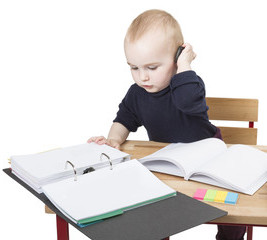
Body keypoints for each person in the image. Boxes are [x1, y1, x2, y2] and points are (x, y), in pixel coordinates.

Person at [88, 9, 245, 240]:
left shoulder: (187, 84)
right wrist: (114, 139)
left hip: (209, 156)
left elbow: (187, 101)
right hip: (169, 161)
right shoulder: (137, 94)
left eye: (152, 68)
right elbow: (124, 119)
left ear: (177, 57)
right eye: (134, 67)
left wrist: (184, 65)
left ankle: (229, 236)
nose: (143, 77)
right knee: (153, 206)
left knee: (231, 207)